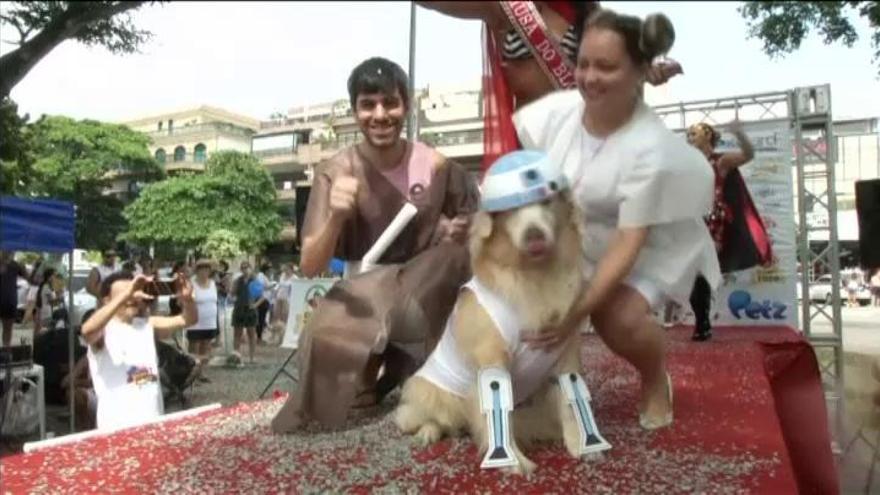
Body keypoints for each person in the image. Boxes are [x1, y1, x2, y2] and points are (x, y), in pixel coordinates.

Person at [511, 9, 721, 430]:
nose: (589, 77)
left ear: (640, 73)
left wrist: (578, 309)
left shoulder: (649, 149)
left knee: (617, 318)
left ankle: (654, 379)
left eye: (606, 67)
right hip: (583, 235)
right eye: (583, 64)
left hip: (648, 243)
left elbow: (629, 242)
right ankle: (543, 393)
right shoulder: (556, 113)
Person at [271, 57, 479, 433]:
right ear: (355, 111)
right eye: (368, 105)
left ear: (406, 106)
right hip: (360, 296)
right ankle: (378, 367)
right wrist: (336, 216)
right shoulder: (335, 171)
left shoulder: (437, 166)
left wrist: (463, 231)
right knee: (349, 402)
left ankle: (429, 371)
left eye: (390, 103)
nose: (380, 115)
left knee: (457, 258)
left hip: (426, 297)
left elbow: (482, 222)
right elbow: (309, 266)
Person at [417, 1, 682, 170]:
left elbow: (616, 64)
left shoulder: (589, 12)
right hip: (532, 144)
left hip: (585, 141)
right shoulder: (503, 7)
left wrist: (648, 73)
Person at [685, 121, 773, 341]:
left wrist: (739, 133)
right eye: (688, 134)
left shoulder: (721, 162)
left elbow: (748, 154)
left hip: (714, 225)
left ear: (708, 135)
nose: (689, 136)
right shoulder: (687, 164)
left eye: (693, 133)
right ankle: (702, 321)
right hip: (693, 222)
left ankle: (702, 323)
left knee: (700, 273)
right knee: (695, 275)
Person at [81, 270, 196, 431]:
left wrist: (188, 300)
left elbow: (188, 319)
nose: (132, 298)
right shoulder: (103, 330)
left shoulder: (148, 324)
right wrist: (127, 292)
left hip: (153, 419)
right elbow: (87, 331)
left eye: (135, 293)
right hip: (115, 426)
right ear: (107, 300)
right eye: (125, 295)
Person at [185, 259, 218, 380]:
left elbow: (214, 300)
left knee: (206, 347)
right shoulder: (191, 283)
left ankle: (201, 372)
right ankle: (190, 373)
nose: (204, 272)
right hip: (195, 321)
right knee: (194, 348)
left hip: (209, 321)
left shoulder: (213, 283)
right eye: (201, 269)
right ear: (197, 270)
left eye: (207, 269)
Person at [231, 261, 259, 364]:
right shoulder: (238, 281)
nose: (245, 269)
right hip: (239, 308)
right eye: (243, 268)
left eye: (247, 267)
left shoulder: (255, 281)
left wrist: (255, 305)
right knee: (237, 333)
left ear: (251, 268)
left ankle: (252, 357)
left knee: (251, 333)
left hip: (250, 310)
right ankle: (236, 356)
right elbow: (232, 293)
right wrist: (231, 286)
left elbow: (262, 296)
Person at [0, 251, 29, 347]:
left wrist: (24, 268)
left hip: (9, 300)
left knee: (7, 328)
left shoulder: (15, 265)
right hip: (9, 299)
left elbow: (29, 278)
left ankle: (5, 350)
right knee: (7, 329)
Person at [255, 263, 274, 344]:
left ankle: (259, 336)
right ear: (266, 270)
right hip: (262, 299)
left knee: (262, 319)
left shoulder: (264, 276)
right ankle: (258, 337)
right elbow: (262, 286)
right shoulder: (261, 276)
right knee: (261, 319)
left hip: (265, 299)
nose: (270, 271)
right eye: (269, 270)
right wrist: (272, 286)